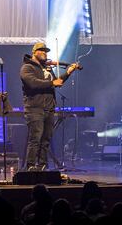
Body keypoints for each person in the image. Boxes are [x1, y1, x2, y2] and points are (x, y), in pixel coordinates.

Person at [20, 42, 79, 171]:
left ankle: (42, 165)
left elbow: (57, 82)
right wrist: (52, 82)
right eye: (42, 51)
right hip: (34, 108)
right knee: (35, 138)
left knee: (46, 139)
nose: (45, 53)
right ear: (34, 52)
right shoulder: (27, 67)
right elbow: (33, 83)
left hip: (49, 108)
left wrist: (68, 73)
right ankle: (30, 166)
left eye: (46, 51)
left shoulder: (47, 69)